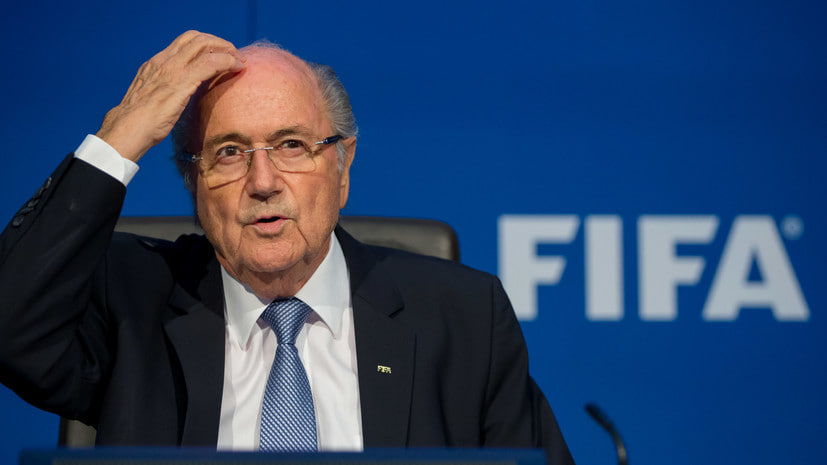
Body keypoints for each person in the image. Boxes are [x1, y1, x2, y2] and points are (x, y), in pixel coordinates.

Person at [0, 31, 574, 464]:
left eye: (292, 145)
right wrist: (121, 133)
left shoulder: (466, 318)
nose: (263, 181)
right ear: (193, 183)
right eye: (229, 153)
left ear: (342, 167)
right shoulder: (132, 303)